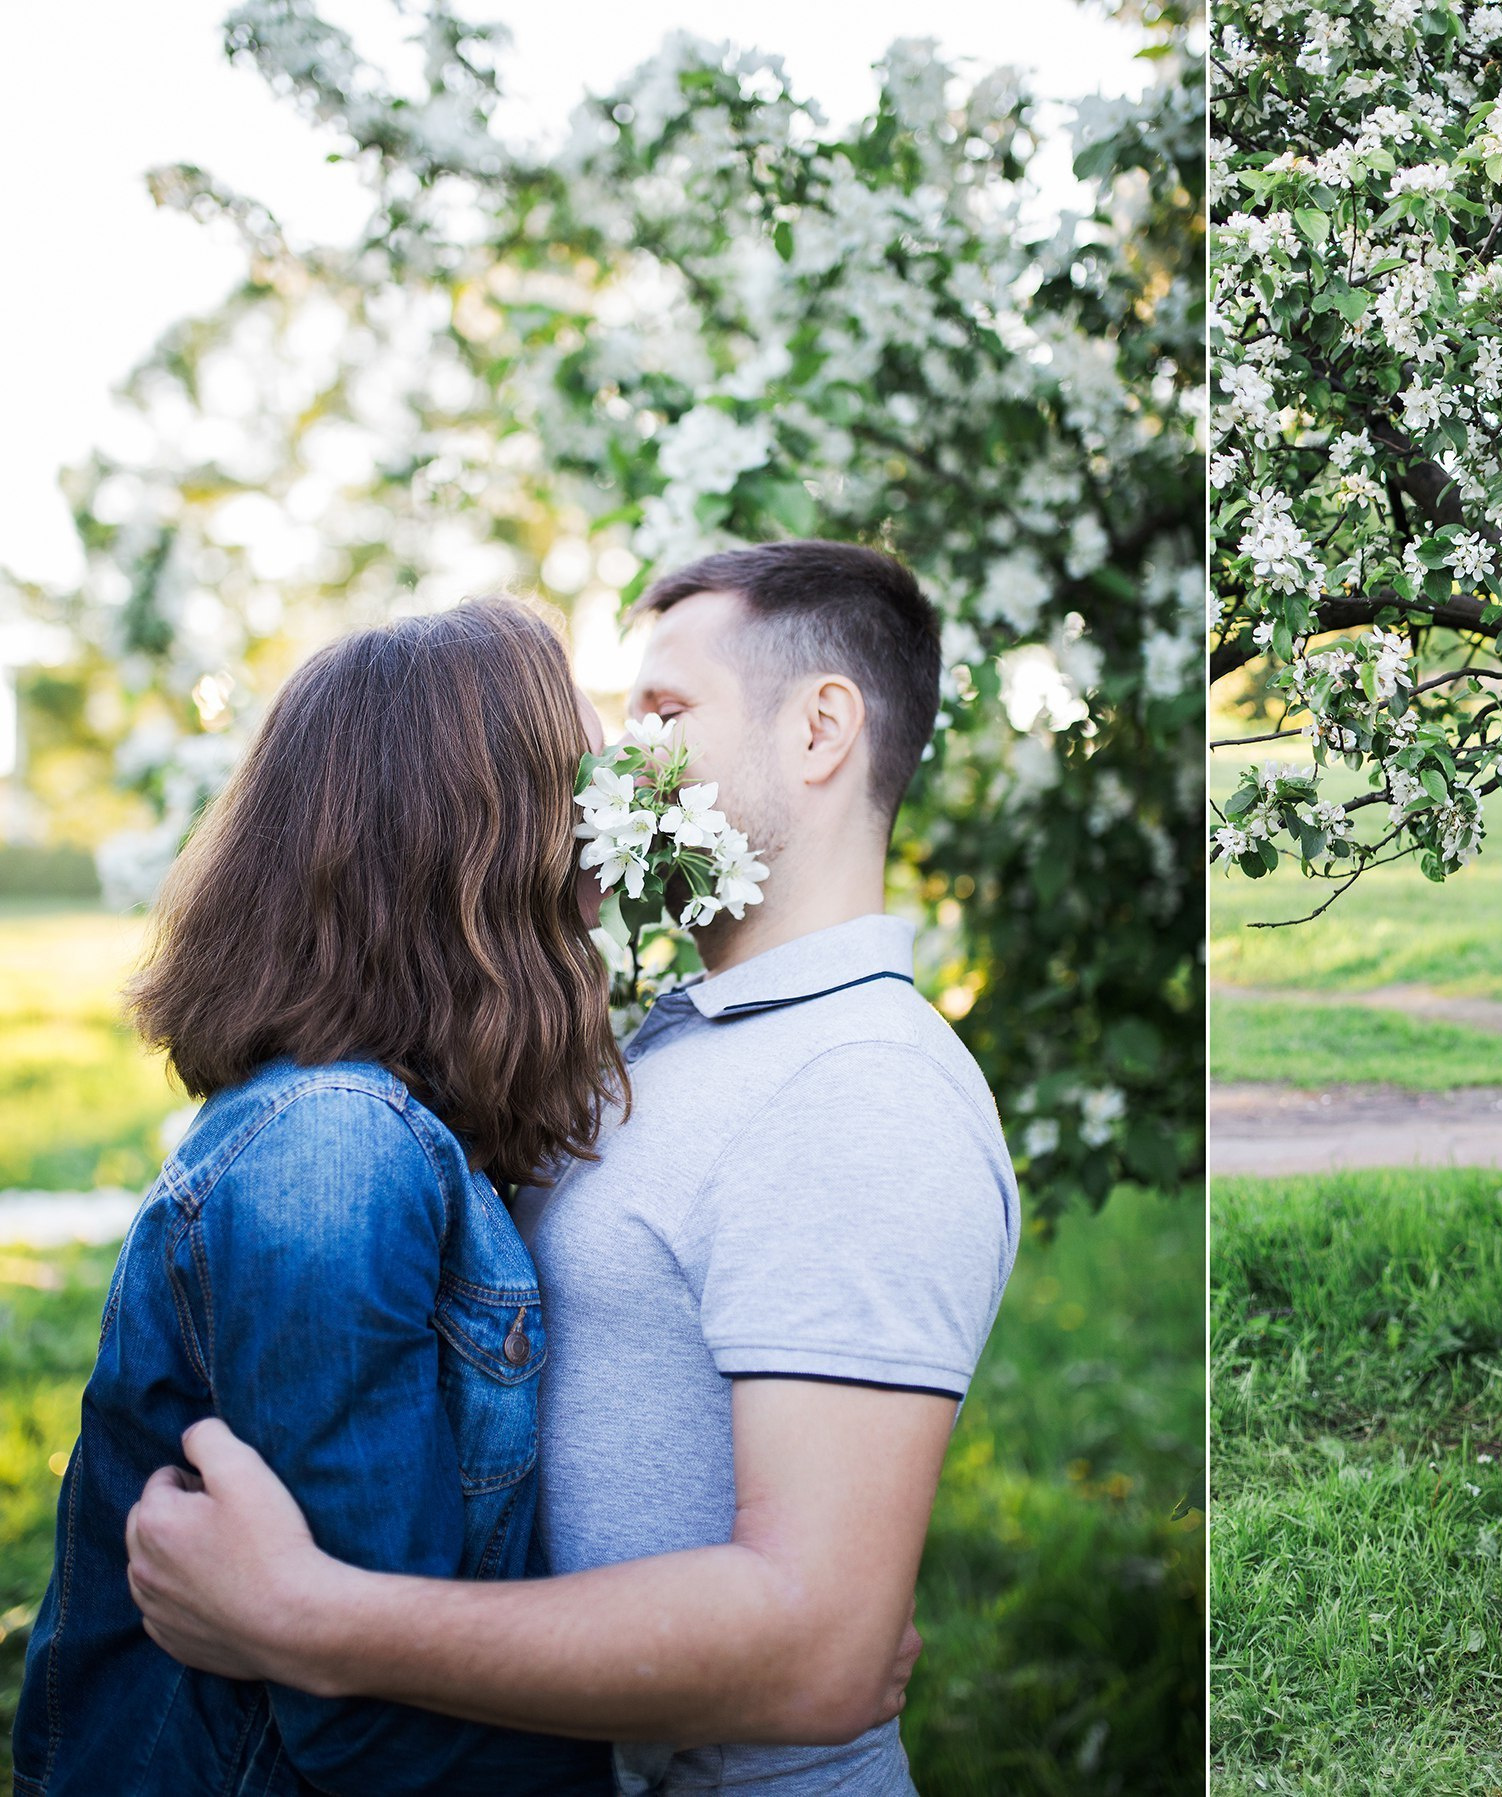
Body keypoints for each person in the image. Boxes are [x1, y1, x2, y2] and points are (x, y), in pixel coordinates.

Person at [120, 540, 1020, 1796]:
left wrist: (307, 1620)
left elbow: (818, 1647)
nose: (612, 770)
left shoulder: (856, 1086)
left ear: (821, 730)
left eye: (663, 713)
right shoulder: (673, 1045)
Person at [15, 599, 624, 1794]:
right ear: (490, 843)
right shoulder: (332, 1156)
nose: (614, 827)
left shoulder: (389, 1131)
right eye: (585, 790)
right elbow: (375, 1725)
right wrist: (705, 1713)